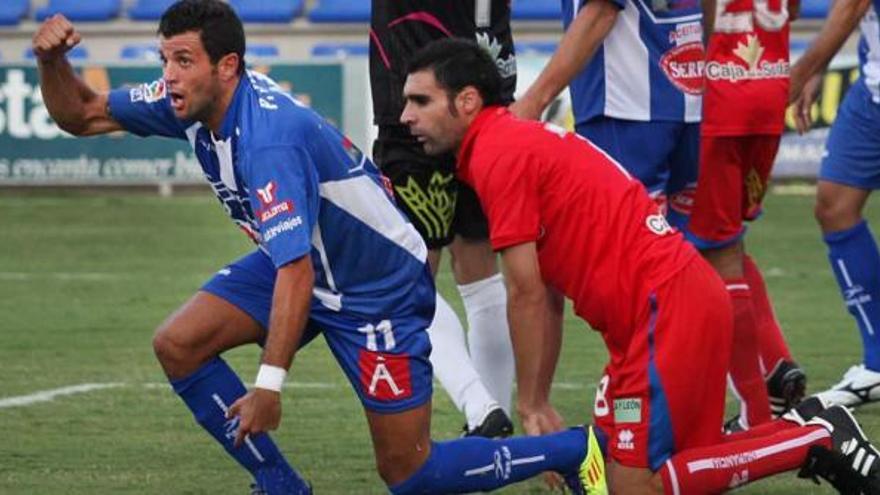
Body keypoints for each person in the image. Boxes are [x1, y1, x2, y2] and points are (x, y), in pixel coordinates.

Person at [32, 2, 605, 493]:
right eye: (165, 61)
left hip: (374, 285)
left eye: (183, 61)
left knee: (411, 473)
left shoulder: (269, 140)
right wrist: (51, 61)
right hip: (307, 263)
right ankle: (282, 486)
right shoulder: (187, 100)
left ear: (227, 67)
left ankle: (572, 451)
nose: (170, 76)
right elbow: (81, 114)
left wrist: (268, 386)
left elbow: (296, 274)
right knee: (178, 345)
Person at [401, 37, 880, 494]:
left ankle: (814, 439)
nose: (406, 117)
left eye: (420, 101)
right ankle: (807, 432)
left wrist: (531, 402)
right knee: (663, 466)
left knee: (633, 484)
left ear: (466, 101)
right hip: (666, 309)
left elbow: (525, 291)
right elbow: (543, 291)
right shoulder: (510, 142)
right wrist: (538, 396)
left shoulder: (497, 153)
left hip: (665, 311)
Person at [370, 0, 516, 436]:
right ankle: (492, 426)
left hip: (422, 98)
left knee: (406, 281)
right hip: (488, 82)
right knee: (480, 270)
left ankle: (481, 408)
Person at [686, 0, 807, 431]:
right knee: (728, 242)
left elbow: (692, 16)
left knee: (711, 250)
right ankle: (774, 363)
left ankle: (757, 410)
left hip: (721, 96)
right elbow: (791, 11)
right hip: (769, 90)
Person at [789, 0, 880, 408]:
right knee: (834, 206)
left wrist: (799, 72)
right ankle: (878, 363)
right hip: (872, 92)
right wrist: (820, 65)